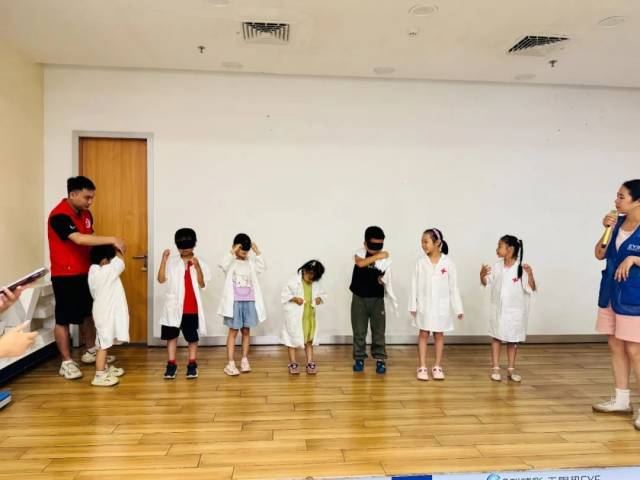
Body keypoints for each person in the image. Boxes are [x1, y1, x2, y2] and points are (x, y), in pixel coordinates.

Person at [47, 176, 125, 380]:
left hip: (87, 272)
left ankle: (91, 350)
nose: (90, 201)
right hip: (65, 274)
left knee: (89, 313)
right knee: (63, 319)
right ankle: (66, 362)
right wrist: (113, 239)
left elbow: (90, 240)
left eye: (92, 197)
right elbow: (80, 239)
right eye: (87, 197)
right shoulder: (59, 216)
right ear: (73, 194)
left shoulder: (86, 214)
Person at [592, 179, 640, 431]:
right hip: (610, 293)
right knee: (615, 346)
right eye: (616, 196)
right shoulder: (617, 224)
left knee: (635, 350)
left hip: (634, 297)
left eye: (622, 196)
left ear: (638, 201)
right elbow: (599, 253)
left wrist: (634, 259)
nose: (616, 200)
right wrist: (606, 230)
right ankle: (621, 400)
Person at [480, 235, 536, 383]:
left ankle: (511, 369)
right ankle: (496, 368)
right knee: (496, 337)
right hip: (498, 310)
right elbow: (486, 282)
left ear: (510, 249)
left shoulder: (521, 269)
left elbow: (530, 288)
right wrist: (482, 275)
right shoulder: (497, 266)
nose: (497, 249)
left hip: (514, 312)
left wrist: (530, 275)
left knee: (512, 339)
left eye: (500, 246)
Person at [410, 228, 463, 381]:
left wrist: (458, 308)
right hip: (424, 305)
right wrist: (413, 305)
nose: (423, 245)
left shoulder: (448, 263)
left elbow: (453, 287)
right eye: (422, 242)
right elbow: (414, 284)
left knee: (439, 335)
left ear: (437, 242)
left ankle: (437, 366)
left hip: (441, 306)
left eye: (426, 242)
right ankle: (422, 366)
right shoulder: (420, 262)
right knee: (423, 334)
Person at [158, 228, 210, 380]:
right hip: (173, 306)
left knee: (192, 338)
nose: (185, 250)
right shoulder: (173, 262)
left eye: (188, 246)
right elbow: (161, 279)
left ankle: (192, 364)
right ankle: (171, 364)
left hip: (191, 307)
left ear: (194, 244)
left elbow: (202, 284)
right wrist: (164, 260)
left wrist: (197, 267)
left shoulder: (200, 263)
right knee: (171, 337)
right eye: (181, 247)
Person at [350, 226, 397, 374]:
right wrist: (378, 256)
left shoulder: (385, 259)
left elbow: (387, 275)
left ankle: (380, 359)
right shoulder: (360, 253)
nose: (377, 250)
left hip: (377, 299)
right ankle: (359, 358)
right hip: (359, 298)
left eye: (379, 246)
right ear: (365, 244)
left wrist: (383, 279)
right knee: (359, 330)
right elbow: (360, 263)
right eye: (373, 246)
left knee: (379, 330)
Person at [218, 233, 266, 376]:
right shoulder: (231, 262)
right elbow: (223, 264)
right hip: (234, 302)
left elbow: (262, 267)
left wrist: (257, 252)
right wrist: (233, 251)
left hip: (249, 301)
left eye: (246, 250)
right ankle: (230, 362)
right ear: (236, 247)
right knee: (233, 331)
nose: (244, 252)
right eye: (241, 249)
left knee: (246, 331)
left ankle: (244, 359)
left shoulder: (251, 263)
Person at [88, 245, 128, 386]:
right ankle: (99, 375)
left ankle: (104, 368)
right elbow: (121, 261)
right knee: (103, 344)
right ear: (105, 261)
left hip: (101, 311)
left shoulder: (94, 271)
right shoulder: (107, 271)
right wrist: (118, 247)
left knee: (104, 340)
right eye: (111, 259)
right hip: (105, 313)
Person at [281, 260, 327, 374]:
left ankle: (310, 362)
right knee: (292, 340)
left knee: (309, 340)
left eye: (314, 278)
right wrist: (295, 299)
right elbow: (284, 295)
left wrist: (319, 299)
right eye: (310, 277)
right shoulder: (293, 281)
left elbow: (322, 294)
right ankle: (293, 363)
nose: (311, 280)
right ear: (305, 270)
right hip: (296, 317)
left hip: (309, 317)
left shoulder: (315, 284)